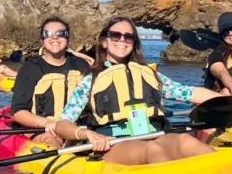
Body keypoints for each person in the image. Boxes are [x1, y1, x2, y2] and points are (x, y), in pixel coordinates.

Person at [53, 17, 221, 165]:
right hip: (113, 143)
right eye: (115, 35)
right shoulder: (91, 81)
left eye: (129, 36)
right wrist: (87, 134)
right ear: (104, 41)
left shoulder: (150, 75)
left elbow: (190, 93)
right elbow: (62, 124)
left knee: (185, 141)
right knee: (151, 150)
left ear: (134, 42)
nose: (122, 39)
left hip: (154, 135)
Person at [10, 17, 91, 145]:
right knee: (49, 139)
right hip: (43, 129)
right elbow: (18, 112)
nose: (55, 37)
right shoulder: (30, 68)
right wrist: (47, 123)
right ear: (42, 41)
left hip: (77, 129)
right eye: (48, 34)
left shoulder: (81, 65)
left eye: (61, 33)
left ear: (68, 39)